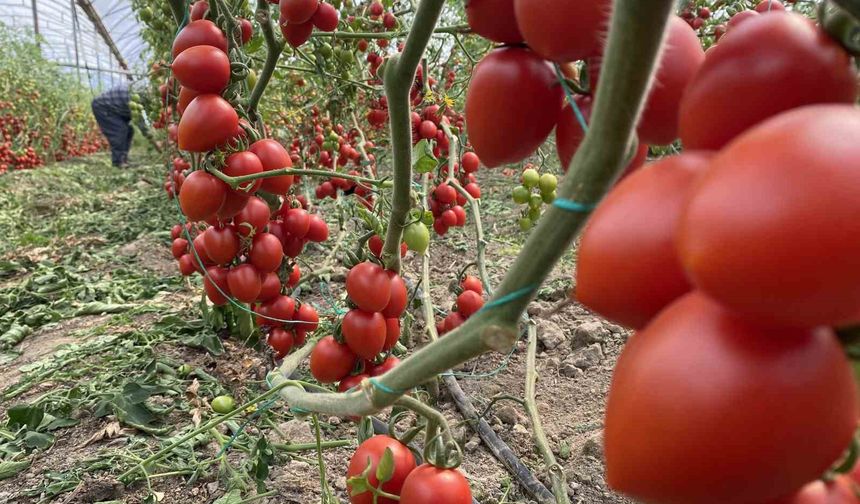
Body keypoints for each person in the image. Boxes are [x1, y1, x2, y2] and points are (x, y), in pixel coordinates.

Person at [91, 84, 133, 167]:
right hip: (102, 106)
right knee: (119, 131)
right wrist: (151, 138)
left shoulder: (137, 93)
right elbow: (140, 121)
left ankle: (123, 159)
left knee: (129, 130)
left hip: (116, 109)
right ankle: (117, 162)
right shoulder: (135, 98)